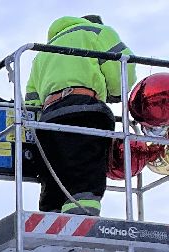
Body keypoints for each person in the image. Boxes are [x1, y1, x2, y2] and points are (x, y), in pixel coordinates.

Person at [25, 16, 135, 216]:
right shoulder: (97, 32)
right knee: (85, 176)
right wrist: (114, 93)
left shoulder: (42, 52)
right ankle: (82, 217)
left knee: (54, 178)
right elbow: (124, 70)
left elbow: (31, 103)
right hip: (83, 109)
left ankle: (50, 220)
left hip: (48, 118)